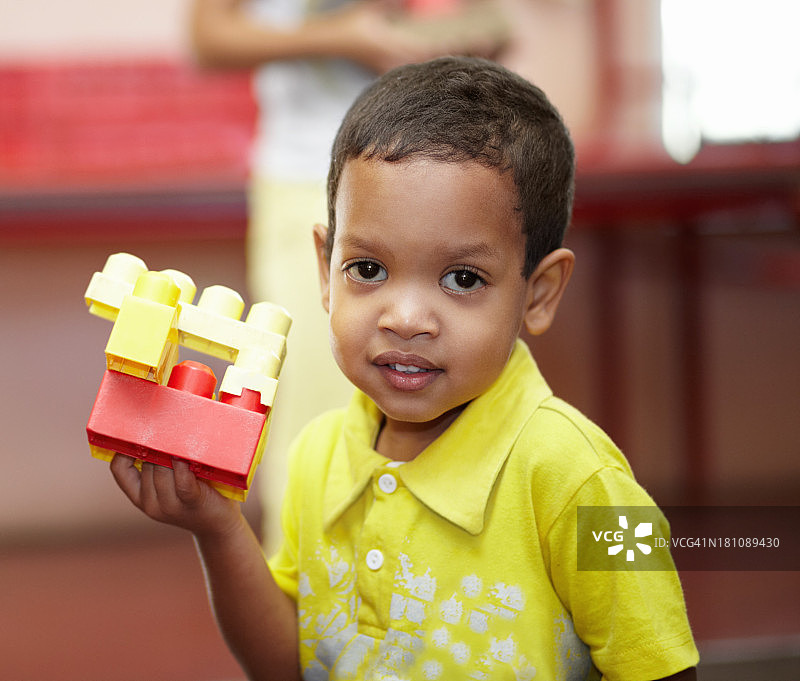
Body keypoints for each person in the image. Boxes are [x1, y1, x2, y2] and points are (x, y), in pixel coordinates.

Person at [110, 57, 699, 680]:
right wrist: (218, 529)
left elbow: (666, 669)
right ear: (325, 269)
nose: (407, 317)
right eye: (367, 269)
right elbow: (289, 664)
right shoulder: (317, 458)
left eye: (462, 279)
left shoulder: (584, 479)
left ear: (539, 292)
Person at [190, 0, 508, 553]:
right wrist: (343, 36)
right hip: (306, 179)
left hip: (427, 175)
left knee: (443, 401)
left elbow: (493, 24)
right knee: (315, 406)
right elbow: (208, 36)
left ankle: (424, 578)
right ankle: (305, 585)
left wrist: (428, 42)